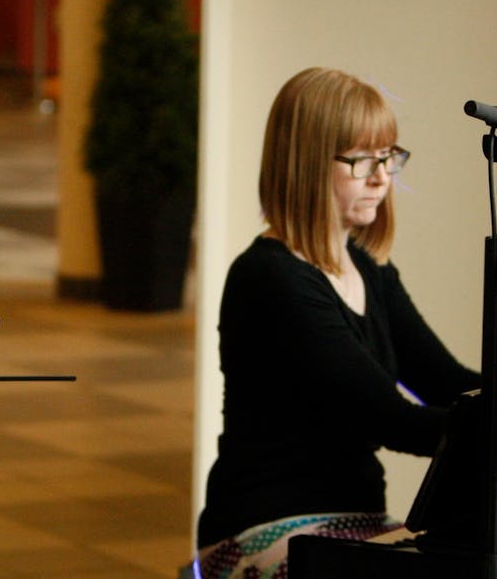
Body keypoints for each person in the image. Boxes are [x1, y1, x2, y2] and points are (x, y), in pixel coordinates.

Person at [195, 67, 481, 578]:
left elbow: (450, 383)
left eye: (388, 157)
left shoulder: (367, 267)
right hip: (266, 525)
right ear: (305, 164)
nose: (381, 177)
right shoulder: (271, 277)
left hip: (360, 517)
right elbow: (393, 420)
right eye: (361, 160)